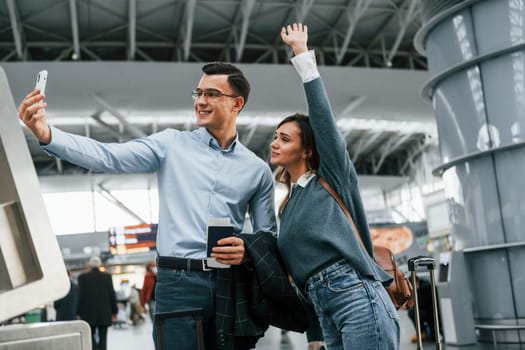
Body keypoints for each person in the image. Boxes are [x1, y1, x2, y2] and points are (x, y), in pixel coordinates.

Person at [18, 61, 277, 349]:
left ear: (237, 104)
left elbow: (268, 236)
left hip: (230, 283)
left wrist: (248, 252)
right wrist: (46, 133)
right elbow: (108, 156)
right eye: (198, 92)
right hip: (178, 282)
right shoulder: (171, 144)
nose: (201, 101)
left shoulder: (257, 170)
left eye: (213, 94)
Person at [270, 23, 400, 349]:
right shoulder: (288, 204)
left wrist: (301, 54)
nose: (274, 143)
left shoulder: (331, 179)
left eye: (284, 138)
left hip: (356, 294)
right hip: (323, 306)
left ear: (307, 149)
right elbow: (301, 274)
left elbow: (323, 121)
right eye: (275, 136)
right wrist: (314, 335)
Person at [77, 256, 118, 350]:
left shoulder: (82, 277)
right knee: (103, 336)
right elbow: (112, 294)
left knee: (90, 335)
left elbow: (80, 296)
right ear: (100, 264)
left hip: (87, 313)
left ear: (89, 265)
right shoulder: (107, 276)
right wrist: (114, 311)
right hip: (104, 313)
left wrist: (78, 312)